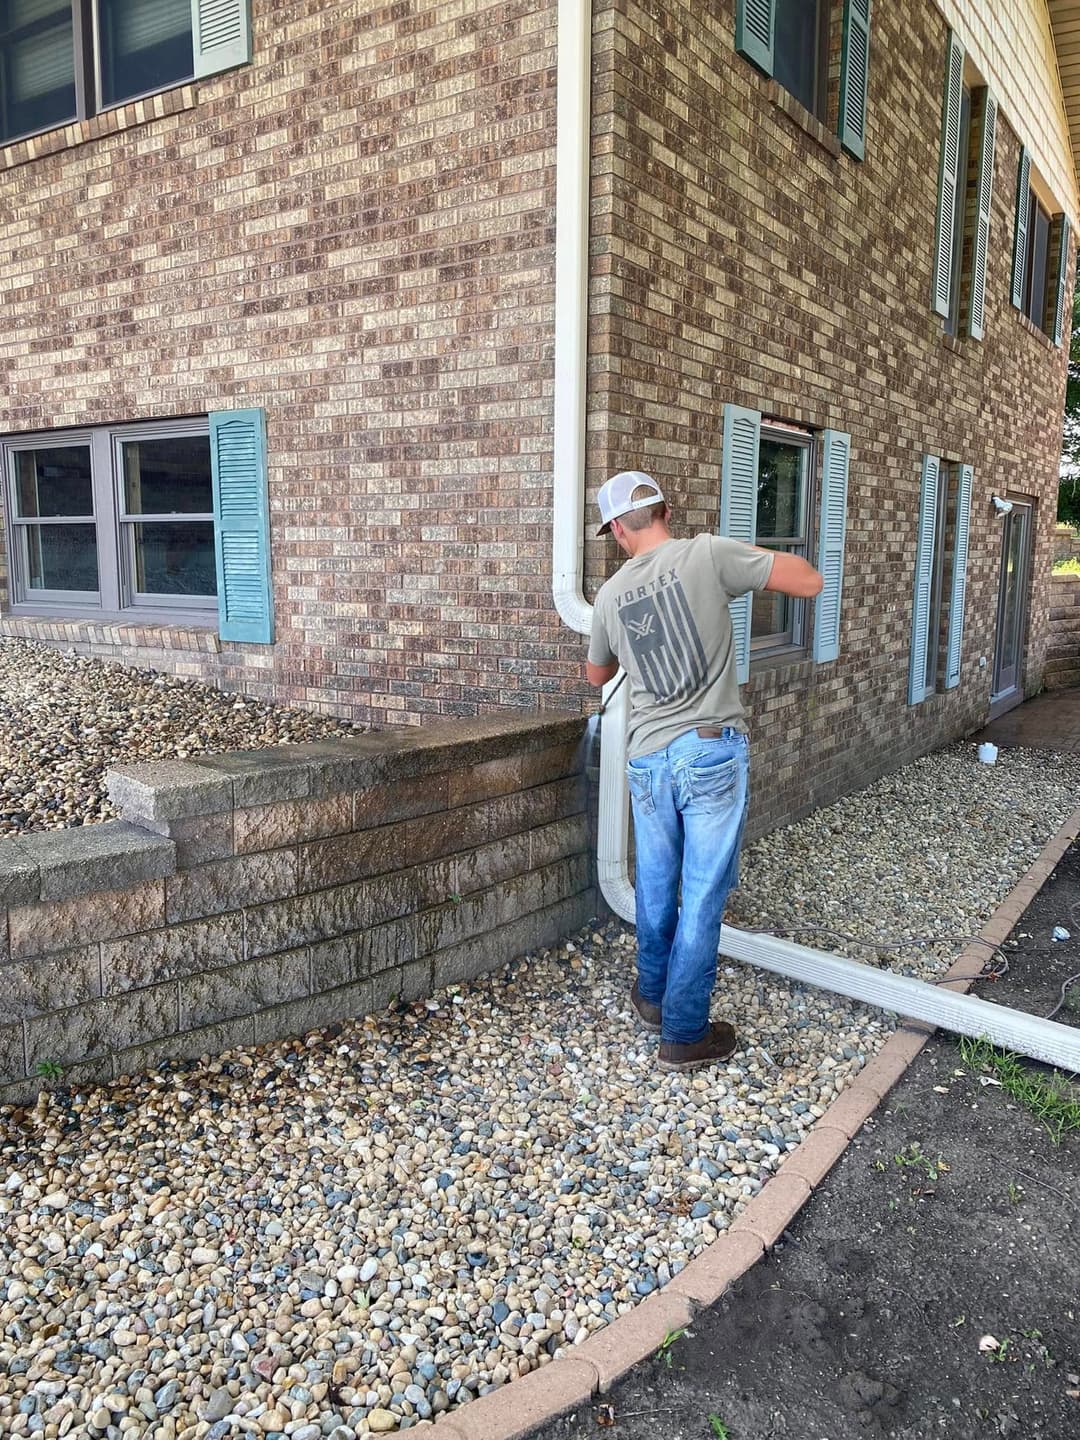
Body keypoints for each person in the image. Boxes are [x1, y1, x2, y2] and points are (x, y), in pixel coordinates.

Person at [586, 470, 823, 1072]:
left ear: (617, 529)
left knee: (657, 885)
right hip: (707, 750)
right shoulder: (709, 554)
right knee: (701, 895)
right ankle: (685, 1032)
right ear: (666, 509)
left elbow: (598, 676)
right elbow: (809, 580)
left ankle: (651, 996)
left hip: (646, 757)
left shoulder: (611, 595)